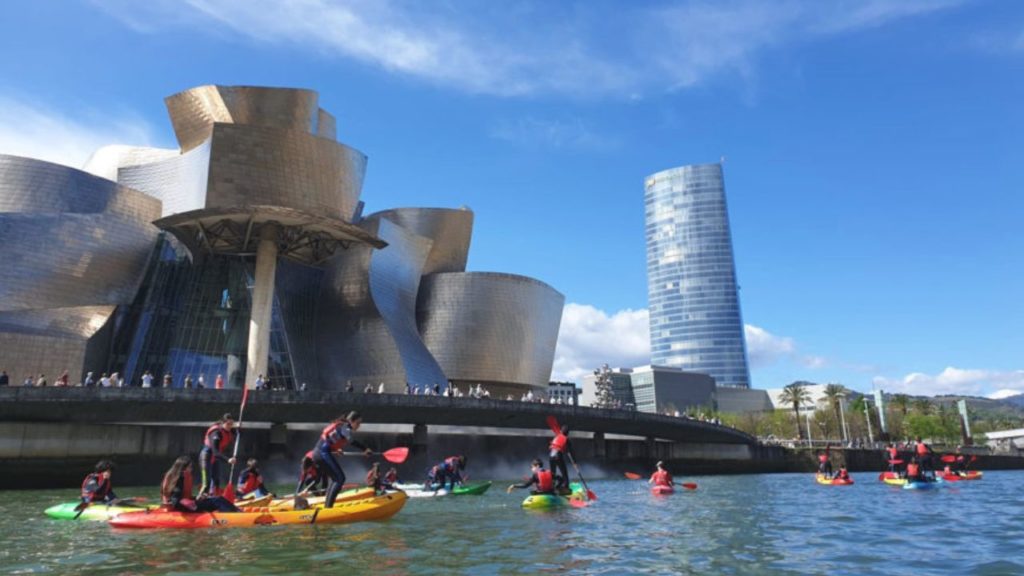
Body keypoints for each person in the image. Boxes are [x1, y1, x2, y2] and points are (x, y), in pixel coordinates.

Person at [311, 412, 372, 508]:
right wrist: (365, 449)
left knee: (337, 478)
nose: (359, 426)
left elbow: (330, 441)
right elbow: (352, 442)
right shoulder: (345, 427)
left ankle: (327, 506)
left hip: (319, 454)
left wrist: (335, 449)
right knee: (340, 479)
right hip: (321, 454)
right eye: (358, 423)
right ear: (351, 421)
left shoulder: (341, 426)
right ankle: (328, 508)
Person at [160, 455, 238, 512]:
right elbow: (175, 500)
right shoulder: (180, 477)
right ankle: (235, 515)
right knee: (217, 500)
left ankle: (235, 511)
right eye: (189, 467)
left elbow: (182, 497)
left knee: (217, 499)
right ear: (183, 467)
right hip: (182, 507)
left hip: (185, 505)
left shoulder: (177, 476)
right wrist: (193, 504)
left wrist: (197, 498)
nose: (191, 469)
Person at [198, 413, 237, 496]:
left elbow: (237, 433)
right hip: (206, 456)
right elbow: (215, 452)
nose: (230, 426)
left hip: (215, 458)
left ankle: (213, 498)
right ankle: (201, 500)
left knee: (216, 481)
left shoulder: (229, 430)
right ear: (223, 423)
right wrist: (228, 459)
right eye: (228, 424)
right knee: (206, 483)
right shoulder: (216, 432)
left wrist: (239, 430)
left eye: (232, 424)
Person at [549, 424, 575, 491]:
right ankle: (566, 488)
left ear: (561, 431)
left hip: (551, 456)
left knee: (552, 473)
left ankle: (551, 487)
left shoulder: (556, 436)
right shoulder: (566, 439)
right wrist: (575, 462)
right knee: (564, 473)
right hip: (558, 456)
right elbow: (571, 451)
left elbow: (551, 446)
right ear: (567, 433)